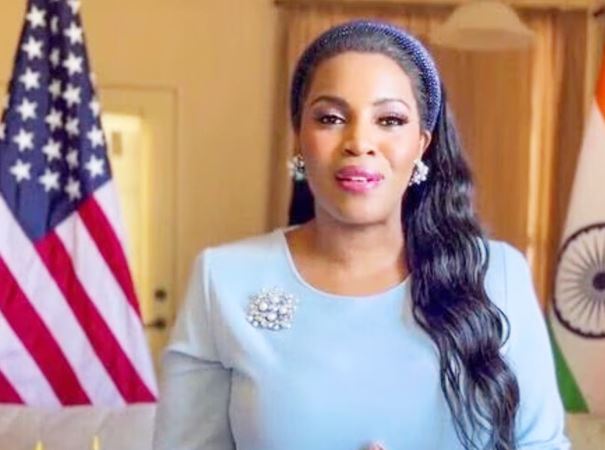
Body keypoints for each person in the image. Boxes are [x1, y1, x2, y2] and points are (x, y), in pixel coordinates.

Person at [152, 20, 569, 450]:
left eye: (389, 120)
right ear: (300, 137)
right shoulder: (223, 279)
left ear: (421, 144)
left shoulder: (498, 275)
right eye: (331, 118)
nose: (359, 142)